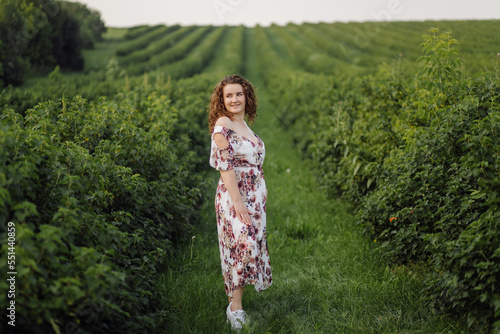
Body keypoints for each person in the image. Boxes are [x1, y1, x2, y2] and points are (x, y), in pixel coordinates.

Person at [208, 75, 272, 330]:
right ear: (222, 101)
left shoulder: (243, 124)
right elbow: (225, 166)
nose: (234, 99)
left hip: (254, 198)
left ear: (247, 97)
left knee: (246, 247)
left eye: (239, 94)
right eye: (229, 95)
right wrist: (238, 203)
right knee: (242, 247)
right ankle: (235, 310)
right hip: (235, 197)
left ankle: (236, 303)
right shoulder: (222, 125)